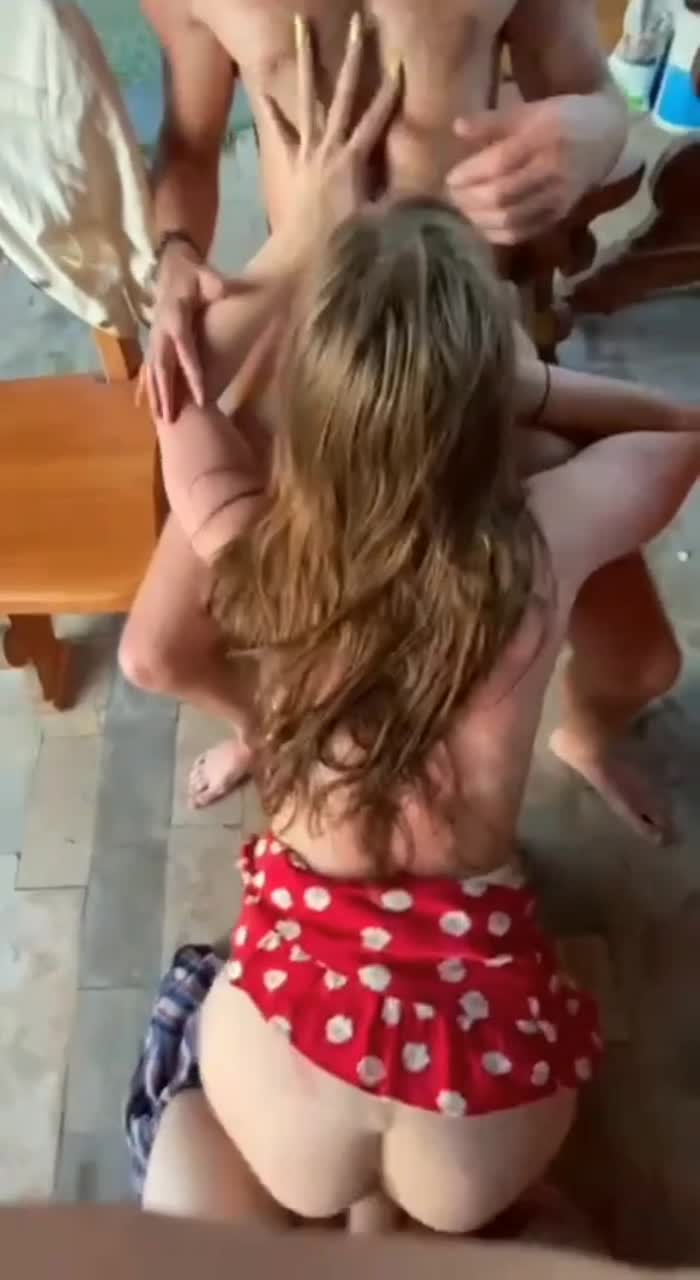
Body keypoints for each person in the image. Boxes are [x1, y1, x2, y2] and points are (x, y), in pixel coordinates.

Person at [133, 28, 700, 1231]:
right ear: (489, 403)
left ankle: (347, 1215)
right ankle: (444, 1220)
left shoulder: (251, 538)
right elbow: (674, 437)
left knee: (187, 1129)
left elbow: (177, 392)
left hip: (285, 1072)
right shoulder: (536, 549)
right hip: (479, 1111)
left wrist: (293, 253)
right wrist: (530, 386)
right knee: (506, 1213)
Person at [120, 1, 681, 834]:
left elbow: (592, 95)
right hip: (310, 355)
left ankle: (587, 737)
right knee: (158, 654)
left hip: (471, 348)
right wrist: (174, 256)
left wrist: (586, 134)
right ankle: (275, 732)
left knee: (642, 663)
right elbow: (190, 147)